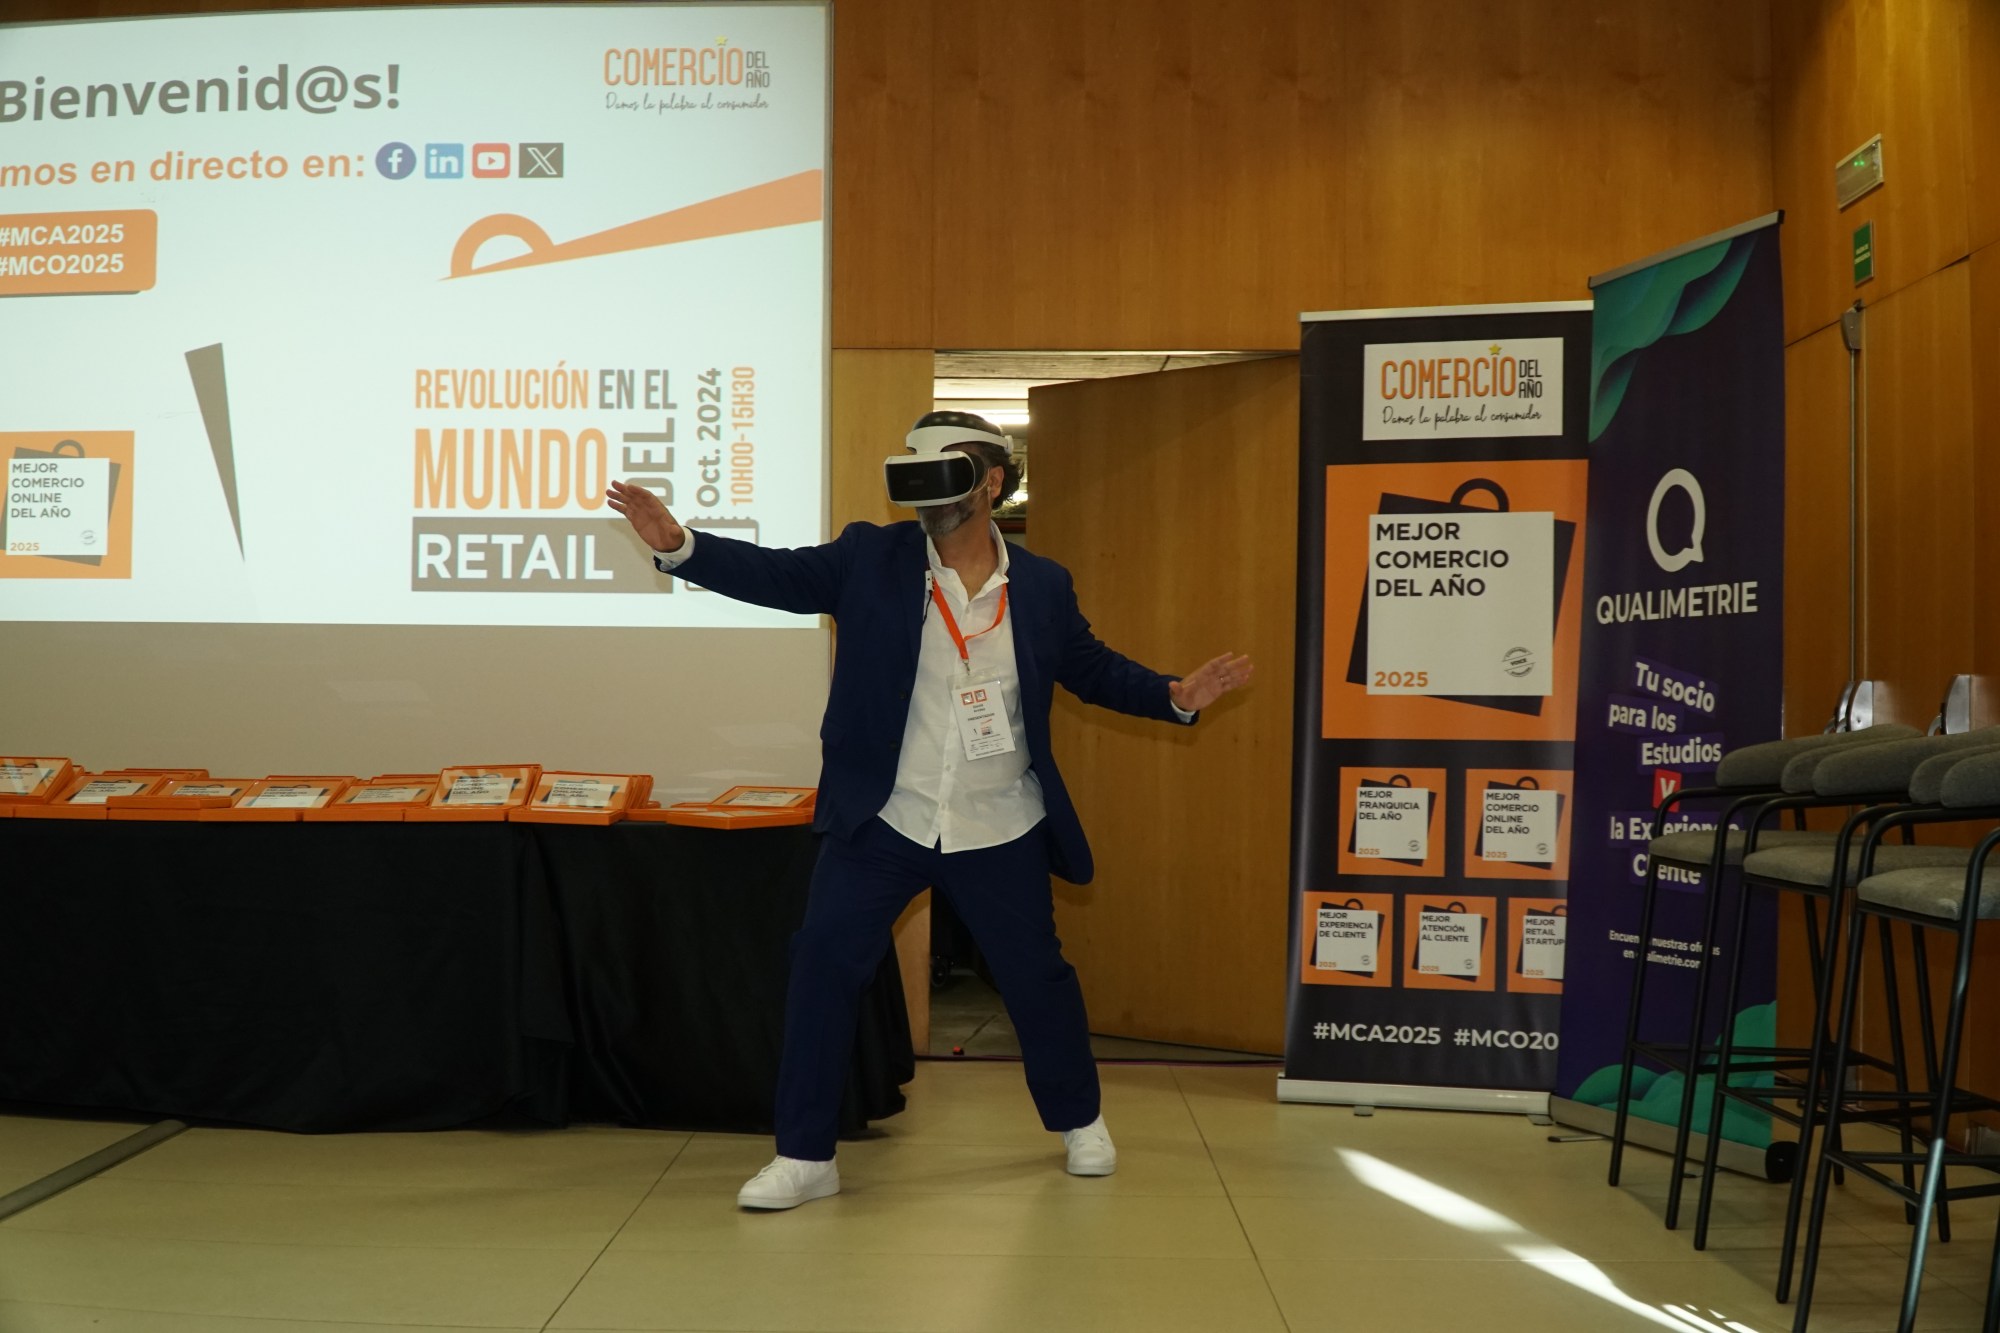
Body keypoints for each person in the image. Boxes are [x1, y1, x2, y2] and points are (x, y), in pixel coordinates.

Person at [605, 410, 1252, 1211]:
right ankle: (805, 1154)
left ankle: (1079, 1120)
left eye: (945, 473)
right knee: (822, 966)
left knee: (1037, 978)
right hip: (886, 818)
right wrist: (682, 546)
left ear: (991, 482)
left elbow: (1089, 667)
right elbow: (776, 576)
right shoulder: (869, 558)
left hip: (999, 821)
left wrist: (1173, 694)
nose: (928, 493)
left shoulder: (1042, 585)